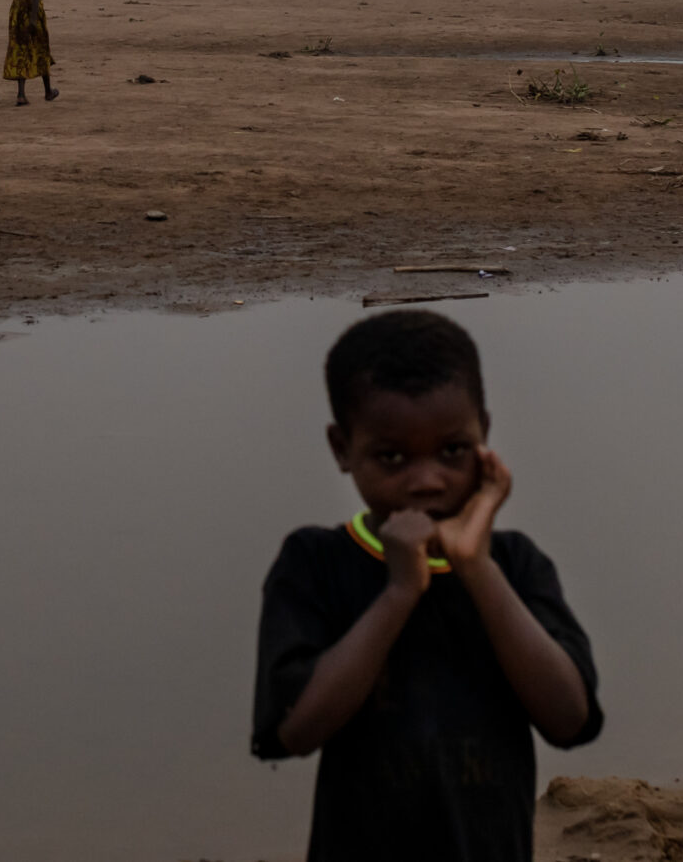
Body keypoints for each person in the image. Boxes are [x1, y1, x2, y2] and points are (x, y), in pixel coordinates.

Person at [251, 310, 600, 862]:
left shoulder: (513, 564)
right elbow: (295, 730)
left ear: (483, 434)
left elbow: (569, 719)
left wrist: (476, 568)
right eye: (391, 457)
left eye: (452, 451)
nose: (427, 480)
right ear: (342, 448)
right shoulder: (315, 563)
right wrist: (397, 593)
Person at [3, 0, 56, 105]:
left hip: (16, 16)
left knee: (19, 51)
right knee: (41, 50)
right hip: (34, 15)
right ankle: (47, 91)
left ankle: (21, 94)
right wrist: (33, 20)